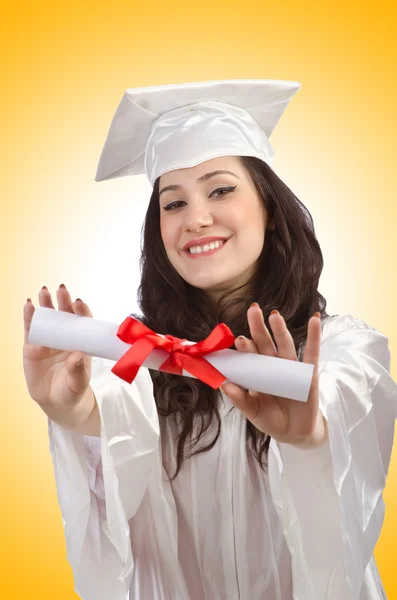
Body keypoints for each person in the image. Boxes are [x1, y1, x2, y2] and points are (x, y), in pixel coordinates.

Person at [23, 80, 397, 600]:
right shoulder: (146, 357)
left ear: (269, 207)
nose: (196, 218)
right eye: (173, 203)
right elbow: (115, 417)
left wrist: (309, 436)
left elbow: (345, 401)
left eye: (220, 190)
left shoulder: (341, 348)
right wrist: (71, 410)